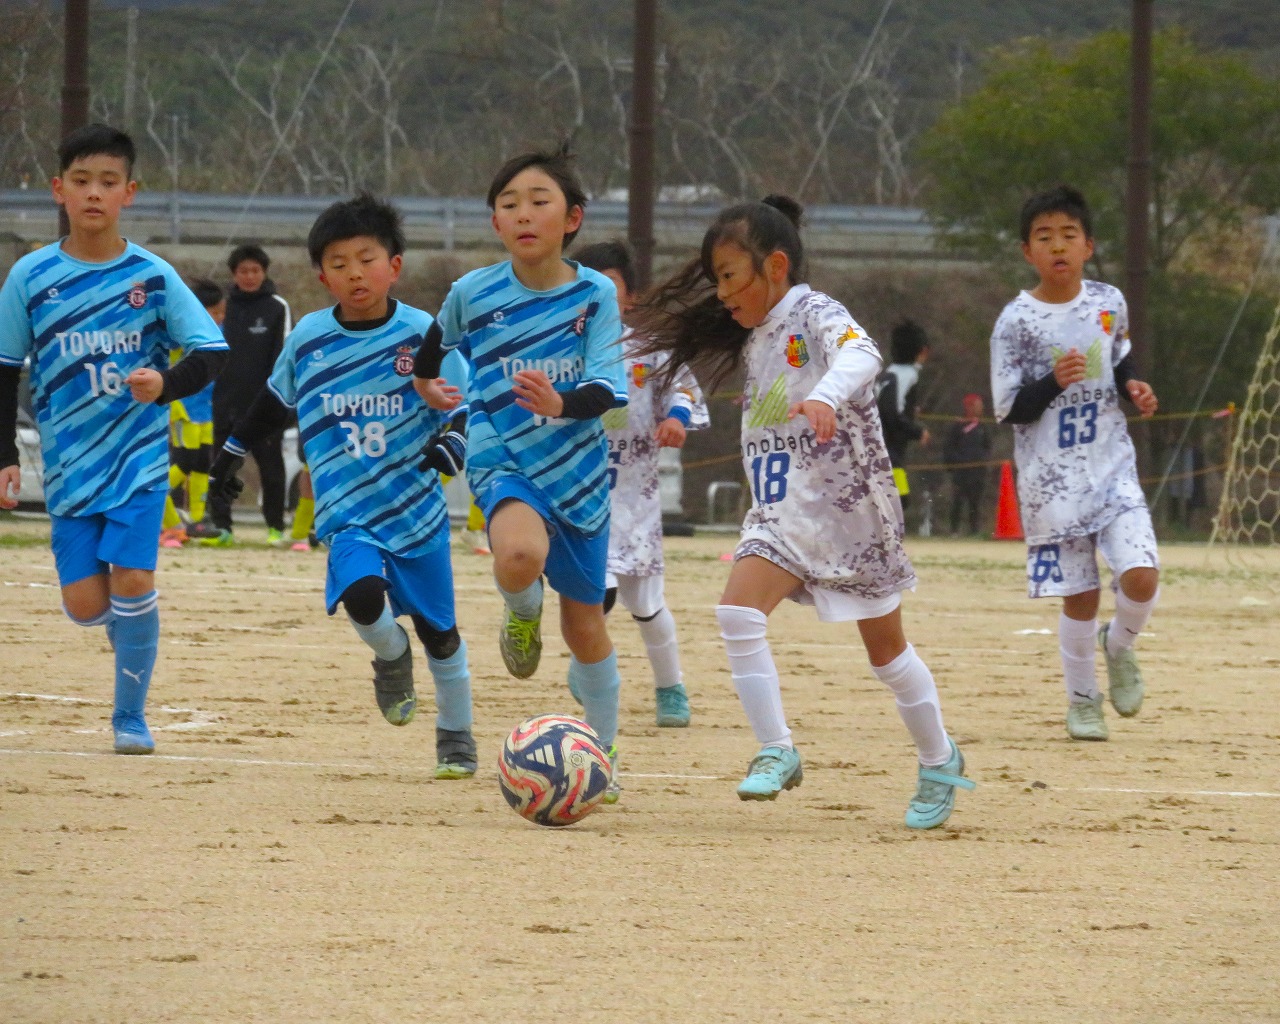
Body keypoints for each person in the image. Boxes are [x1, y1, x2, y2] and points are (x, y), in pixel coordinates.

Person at [629, 195, 974, 829]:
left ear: (776, 266)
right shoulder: (754, 332)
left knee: (888, 656)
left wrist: (825, 395)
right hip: (781, 514)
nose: (722, 293)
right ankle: (777, 749)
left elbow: (862, 355)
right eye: (716, 279)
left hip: (850, 515)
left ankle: (938, 758)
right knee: (737, 613)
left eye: (730, 276)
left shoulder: (814, 311)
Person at [204, 193, 478, 779]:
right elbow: (275, 400)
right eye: (339, 263)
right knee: (362, 596)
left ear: (394, 265)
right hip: (347, 511)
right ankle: (391, 654)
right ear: (321, 275)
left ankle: (456, 735)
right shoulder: (308, 336)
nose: (355, 273)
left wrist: (453, 440)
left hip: (416, 514)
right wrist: (231, 450)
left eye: (366, 259)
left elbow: (463, 405)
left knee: (442, 635)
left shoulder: (422, 333)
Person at [0, 123, 228, 754]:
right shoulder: (30, 276)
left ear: (130, 192)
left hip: (138, 461)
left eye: (108, 182)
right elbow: (4, 368)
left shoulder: (152, 276)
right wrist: (3, 456)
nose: (94, 193)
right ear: (58, 190)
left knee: (132, 579)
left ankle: (130, 718)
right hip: (68, 466)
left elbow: (211, 351)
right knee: (83, 604)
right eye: (82, 181)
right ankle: (132, 632)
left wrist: (166, 383)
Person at [414, 143, 628, 802]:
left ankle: (602, 752)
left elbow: (607, 388)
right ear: (496, 222)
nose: (524, 214)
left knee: (585, 628)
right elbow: (434, 346)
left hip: (578, 473)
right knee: (517, 555)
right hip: (501, 455)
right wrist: (426, 383)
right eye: (509, 205)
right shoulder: (472, 292)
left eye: (540, 201)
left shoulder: (595, 295)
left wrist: (561, 403)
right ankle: (522, 608)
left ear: (573, 218)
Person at [990, 185, 1160, 742]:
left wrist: (1133, 386)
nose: (1058, 246)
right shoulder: (1016, 322)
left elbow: (1119, 357)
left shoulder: (1108, 302)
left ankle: (1120, 645)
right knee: (1081, 596)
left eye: (1069, 235)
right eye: (1045, 237)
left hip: (1111, 465)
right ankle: (1083, 701)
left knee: (1141, 574)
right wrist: (1051, 382)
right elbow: (1009, 408)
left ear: (1089, 246)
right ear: (1027, 251)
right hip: (1051, 482)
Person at [575, 239, 708, 728]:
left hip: (635, 496)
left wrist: (676, 417)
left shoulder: (650, 350)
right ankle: (589, 667)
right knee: (597, 591)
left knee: (647, 606)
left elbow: (685, 388)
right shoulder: (563, 352)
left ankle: (670, 687)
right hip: (581, 494)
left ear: (629, 297)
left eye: (611, 286)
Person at [190, 243, 292, 546]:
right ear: (234, 274)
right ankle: (222, 527)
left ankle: (275, 528)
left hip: (264, 406)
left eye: (255, 270)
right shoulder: (223, 306)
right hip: (225, 403)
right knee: (220, 468)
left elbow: (284, 357)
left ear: (264, 272)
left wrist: (278, 401)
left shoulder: (277, 307)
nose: (249, 276)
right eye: (243, 271)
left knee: (271, 469)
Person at [159, 278, 224, 547]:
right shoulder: (183, 331)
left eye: (222, 312)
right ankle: (163, 512)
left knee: (202, 464)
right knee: (184, 461)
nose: (220, 317)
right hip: (183, 407)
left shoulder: (217, 333)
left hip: (204, 410)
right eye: (216, 312)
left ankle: (197, 520)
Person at [876, 319, 930, 510]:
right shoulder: (907, 375)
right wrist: (917, 431)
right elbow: (890, 412)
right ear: (922, 351)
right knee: (898, 502)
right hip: (889, 453)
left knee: (891, 503)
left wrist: (910, 410)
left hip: (878, 450)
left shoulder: (888, 373)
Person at [942, 391, 993, 536]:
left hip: (978, 471)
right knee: (957, 501)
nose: (981, 408)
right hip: (961, 471)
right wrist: (954, 464)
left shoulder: (982, 427)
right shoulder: (957, 426)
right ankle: (954, 530)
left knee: (975, 502)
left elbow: (987, 446)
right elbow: (949, 447)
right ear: (969, 407)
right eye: (977, 405)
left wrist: (983, 461)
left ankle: (974, 531)